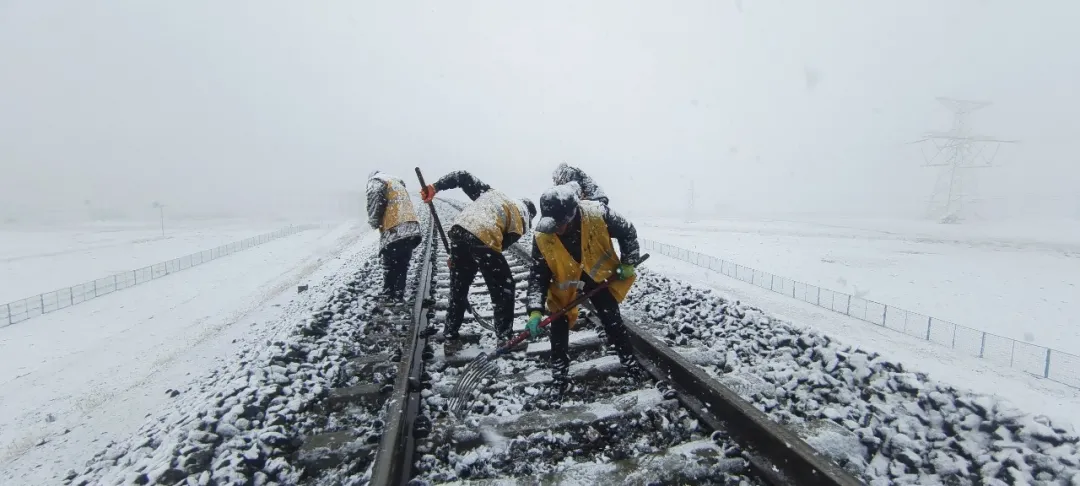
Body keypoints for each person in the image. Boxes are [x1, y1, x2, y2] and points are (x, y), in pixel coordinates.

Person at [524, 184, 645, 394]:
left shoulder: (598, 213)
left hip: (597, 275)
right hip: (565, 281)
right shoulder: (543, 235)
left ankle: (629, 363)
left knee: (611, 318)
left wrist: (629, 261)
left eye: (560, 224)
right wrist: (534, 309)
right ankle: (559, 375)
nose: (556, 229)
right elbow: (538, 274)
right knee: (558, 322)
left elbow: (627, 231)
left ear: (572, 214)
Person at [419, 171, 536, 342]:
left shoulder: (491, 193)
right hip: (482, 236)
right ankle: (505, 337)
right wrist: (482, 262)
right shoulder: (520, 218)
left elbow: (462, 176)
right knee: (504, 287)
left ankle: (450, 334)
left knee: (458, 289)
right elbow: (492, 252)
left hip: (459, 230)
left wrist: (435, 187)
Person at [366, 171, 423, 305]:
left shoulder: (376, 182)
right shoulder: (396, 182)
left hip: (394, 228)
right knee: (402, 262)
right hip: (411, 227)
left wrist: (374, 222)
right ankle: (399, 293)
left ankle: (389, 294)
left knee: (390, 263)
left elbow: (375, 206)